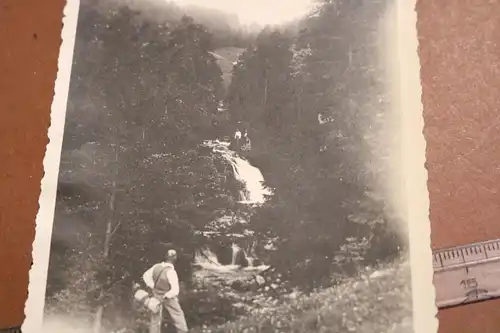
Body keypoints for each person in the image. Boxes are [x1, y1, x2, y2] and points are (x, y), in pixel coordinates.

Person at [143, 249, 188, 333]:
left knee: (155, 316)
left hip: (156, 294)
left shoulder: (156, 266)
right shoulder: (171, 272)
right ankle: (183, 331)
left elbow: (145, 276)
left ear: (166, 257)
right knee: (178, 314)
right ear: (175, 259)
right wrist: (166, 296)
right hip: (168, 297)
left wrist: (152, 286)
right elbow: (175, 291)